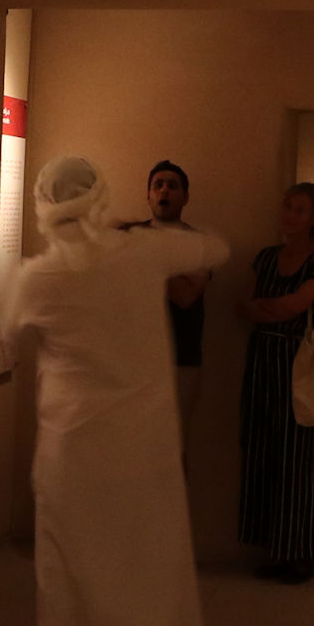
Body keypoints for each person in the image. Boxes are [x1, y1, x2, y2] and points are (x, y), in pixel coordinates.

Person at [3, 155, 232, 626]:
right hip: (141, 451)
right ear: (101, 197)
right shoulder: (143, 252)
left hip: (69, 451)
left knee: (61, 577)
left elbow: (2, 334)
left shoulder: (37, 277)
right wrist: (129, 231)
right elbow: (216, 248)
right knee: (146, 575)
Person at [234, 182, 314, 582]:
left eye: (299, 210)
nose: (289, 215)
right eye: (287, 207)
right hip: (263, 362)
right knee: (261, 451)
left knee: (296, 458)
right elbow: (242, 305)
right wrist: (269, 310)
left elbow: (294, 305)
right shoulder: (266, 256)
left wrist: (265, 309)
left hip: (298, 364)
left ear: (313, 218)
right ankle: (275, 548)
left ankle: (300, 551)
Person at [124, 160, 212, 459]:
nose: (164, 191)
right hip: (130, 360)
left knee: (170, 452)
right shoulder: (128, 236)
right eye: (157, 185)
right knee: (128, 451)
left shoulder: (199, 244)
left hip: (180, 360)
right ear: (148, 195)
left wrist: (145, 259)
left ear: (185, 197)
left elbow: (186, 295)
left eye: (172, 186)